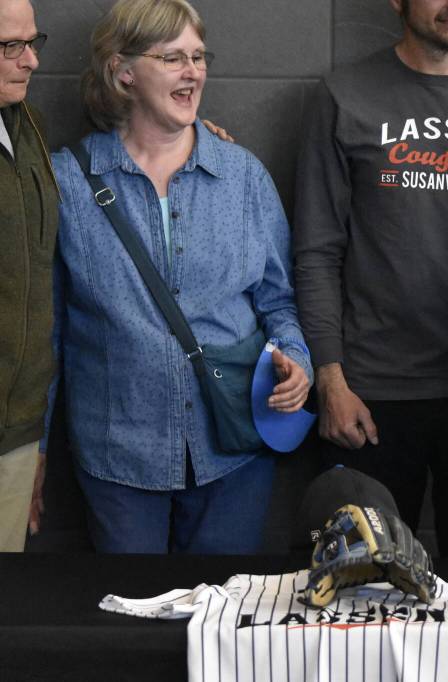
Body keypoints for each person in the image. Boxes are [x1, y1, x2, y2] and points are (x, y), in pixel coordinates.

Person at [49, 0, 311, 553]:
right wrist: (35, 452)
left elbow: (279, 302)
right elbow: (45, 332)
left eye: (198, 56)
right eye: (172, 58)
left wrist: (298, 364)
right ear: (123, 71)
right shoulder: (67, 182)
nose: (193, 72)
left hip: (233, 449)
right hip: (117, 452)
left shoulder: (242, 176)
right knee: (128, 626)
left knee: (221, 620)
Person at [292, 0, 448, 556]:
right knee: (366, 594)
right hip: (372, 397)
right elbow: (316, 252)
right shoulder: (342, 97)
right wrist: (330, 381)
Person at [0, 0, 55, 551]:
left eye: (32, 42)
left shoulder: (28, 124)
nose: (31, 61)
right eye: (10, 47)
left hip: (17, 428)